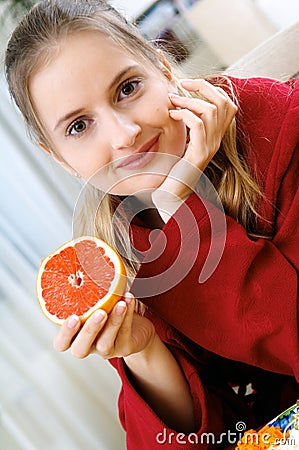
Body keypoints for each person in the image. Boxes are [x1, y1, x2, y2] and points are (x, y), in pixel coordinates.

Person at [5, 1, 299, 448]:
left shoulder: (281, 127)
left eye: (127, 88)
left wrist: (181, 204)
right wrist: (145, 352)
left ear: (164, 69)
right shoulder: (118, 256)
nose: (123, 134)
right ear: (58, 158)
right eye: (80, 126)